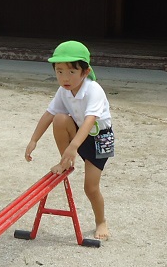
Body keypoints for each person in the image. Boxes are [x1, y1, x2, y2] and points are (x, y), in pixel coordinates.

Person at [25, 41, 115, 240]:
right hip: (78, 133)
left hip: (99, 138)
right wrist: (34, 140)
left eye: (71, 72)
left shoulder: (94, 90)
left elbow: (90, 120)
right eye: (59, 72)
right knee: (60, 118)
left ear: (85, 71)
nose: (65, 78)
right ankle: (65, 162)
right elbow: (50, 114)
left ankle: (101, 221)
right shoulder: (63, 91)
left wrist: (74, 146)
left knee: (90, 188)